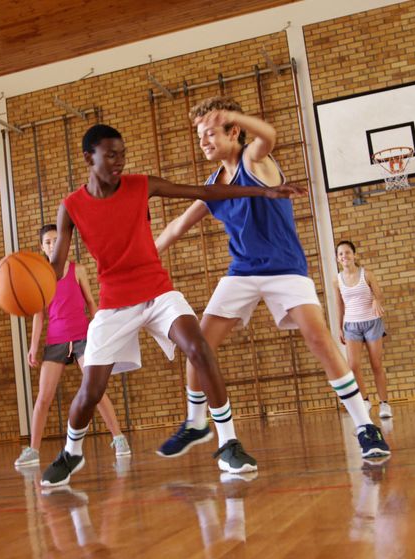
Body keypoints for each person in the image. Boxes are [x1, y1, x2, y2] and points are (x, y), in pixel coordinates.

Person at [40, 123, 307, 487]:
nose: (119, 161)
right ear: (90, 157)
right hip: (115, 303)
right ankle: (71, 452)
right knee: (91, 391)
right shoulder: (71, 207)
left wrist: (264, 191)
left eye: (123, 153)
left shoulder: (141, 185)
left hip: (158, 292)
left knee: (198, 346)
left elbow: (203, 190)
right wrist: (32, 279)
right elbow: (56, 267)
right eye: (110, 155)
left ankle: (229, 443)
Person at [154, 96, 391, 458]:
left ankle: (365, 426)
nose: (202, 142)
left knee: (320, 339)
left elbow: (268, 134)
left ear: (234, 131)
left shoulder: (254, 160)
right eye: (199, 136)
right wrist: (141, 258)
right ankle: (196, 422)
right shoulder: (214, 185)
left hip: (285, 271)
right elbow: (175, 227)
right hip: (242, 273)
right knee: (197, 345)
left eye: (210, 134)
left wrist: (234, 113)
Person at [14, 224, 130, 468]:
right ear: (41, 247)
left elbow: (91, 302)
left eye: (56, 240)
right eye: (47, 241)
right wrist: (33, 346)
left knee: (95, 391)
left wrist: (102, 333)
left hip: (82, 338)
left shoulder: (78, 270)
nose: (52, 244)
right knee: (43, 398)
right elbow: (39, 315)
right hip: (55, 340)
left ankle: (119, 438)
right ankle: (33, 450)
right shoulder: (40, 278)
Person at [334, 240, 392, 418]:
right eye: (341, 254)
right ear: (338, 258)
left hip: (372, 322)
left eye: (348, 252)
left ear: (354, 255)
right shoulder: (337, 280)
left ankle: (384, 404)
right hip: (352, 325)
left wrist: (376, 300)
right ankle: (365, 400)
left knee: (376, 364)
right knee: (353, 365)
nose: (345, 256)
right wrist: (340, 327)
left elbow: (380, 295)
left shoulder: (367, 274)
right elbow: (339, 305)